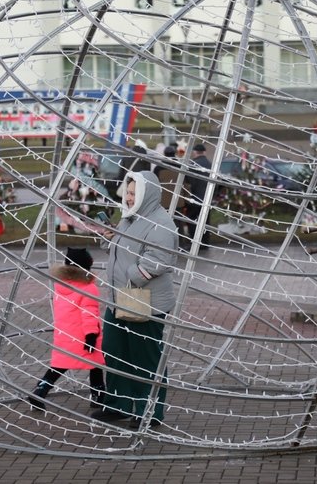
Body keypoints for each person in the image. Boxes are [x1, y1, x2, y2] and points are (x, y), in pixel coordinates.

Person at [92, 171, 178, 429]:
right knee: (114, 351)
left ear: (146, 194)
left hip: (145, 301)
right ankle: (118, 403)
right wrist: (109, 239)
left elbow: (158, 261)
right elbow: (122, 250)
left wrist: (132, 274)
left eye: (133, 193)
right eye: (127, 192)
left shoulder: (161, 224)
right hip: (119, 298)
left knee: (144, 358)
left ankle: (148, 410)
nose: (128, 198)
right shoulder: (130, 217)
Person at [28, 248, 106, 411]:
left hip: (64, 334)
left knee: (59, 365)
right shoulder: (88, 288)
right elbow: (89, 313)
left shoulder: (61, 286)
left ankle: (40, 390)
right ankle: (98, 397)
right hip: (84, 336)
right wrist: (91, 335)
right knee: (96, 364)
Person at [186, 143, 212, 249]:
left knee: (192, 221)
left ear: (195, 152)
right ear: (204, 152)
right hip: (207, 198)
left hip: (195, 198)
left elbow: (189, 182)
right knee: (205, 221)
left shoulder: (193, 165)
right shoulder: (210, 165)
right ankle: (205, 243)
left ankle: (195, 243)